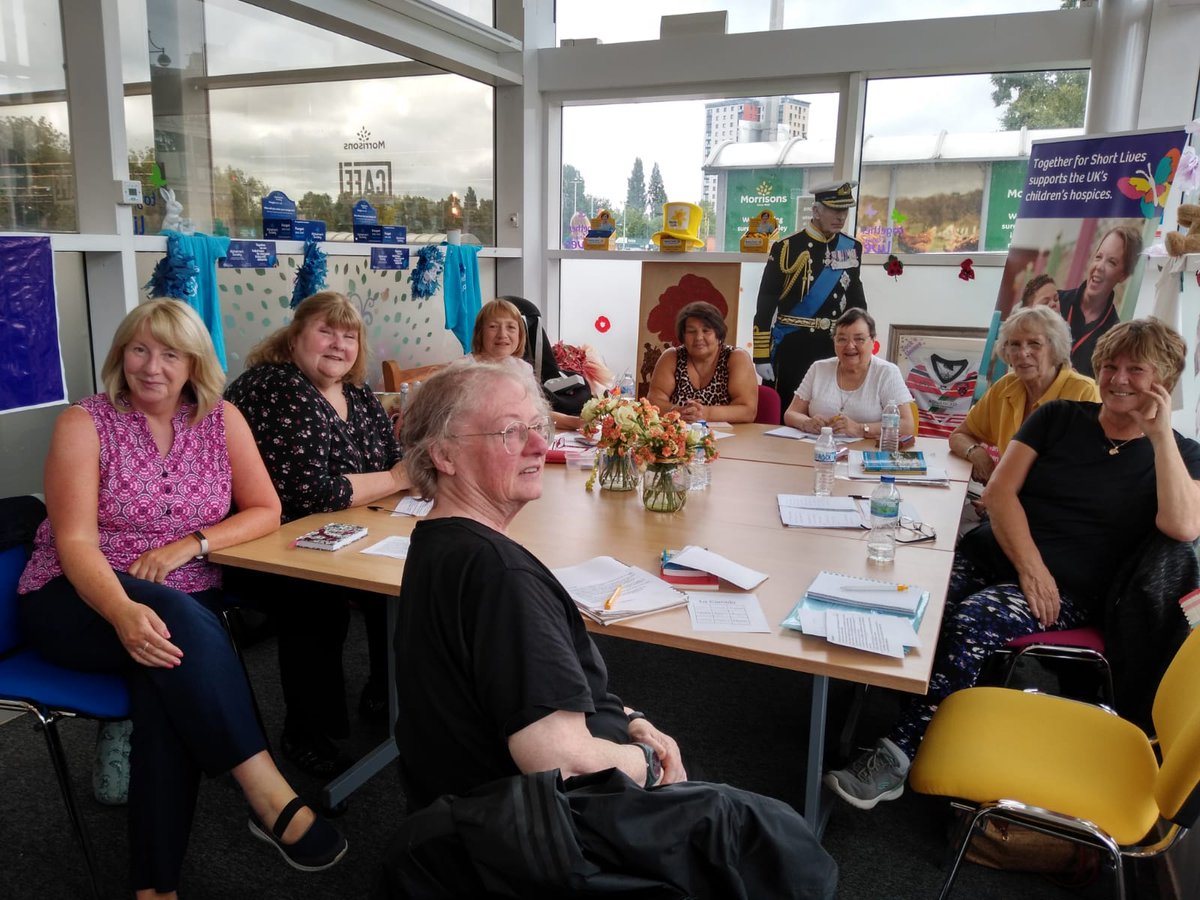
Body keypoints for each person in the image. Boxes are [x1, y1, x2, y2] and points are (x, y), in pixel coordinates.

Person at [390, 360, 837, 898]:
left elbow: (525, 686)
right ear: (443, 454)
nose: (538, 445)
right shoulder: (499, 576)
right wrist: (644, 761)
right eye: (512, 431)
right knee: (773, 837)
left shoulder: (437, 541)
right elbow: (563, 760)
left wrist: (632, 720)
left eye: (539, 425)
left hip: (473, 816)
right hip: (532, 832)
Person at [16, 300, 346, 898]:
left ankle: (155, 887)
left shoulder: (221, 420)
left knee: (162, 675)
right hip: (76, 598)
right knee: (175, 633)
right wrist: (121, 610)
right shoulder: (84, 423)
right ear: (121, 356)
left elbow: (265, 509)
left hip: (184, 608)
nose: (152, 367)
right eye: (140, 349)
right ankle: (265, 789)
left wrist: (187, 546)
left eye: (170, 353)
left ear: (194, 362)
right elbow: (74, 542)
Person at [825, 318, 1200, 811]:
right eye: (1110, 365)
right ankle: (912, 715)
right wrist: (1030, 568)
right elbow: (1000, 492)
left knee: (972, 621)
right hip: (1006, 560)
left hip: (1071, 591)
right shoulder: (1060, 416)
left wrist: (1159, 437)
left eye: (1136, 370)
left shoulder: (1182, 453)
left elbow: (1182, 527)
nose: (1118, 379)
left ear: (1165, 381)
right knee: (916, 595)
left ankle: (898, 753)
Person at [225, 290, 410, 777]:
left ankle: (385, 689)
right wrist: (393, 481)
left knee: (406, 573)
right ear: (294, 337)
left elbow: (391, 456)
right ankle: (307, 733)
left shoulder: (355, 391)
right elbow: (310, 492)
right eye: (325, 331)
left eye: (349, 336)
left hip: (345, 527)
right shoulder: (275, 387)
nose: (338, 344)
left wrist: (392, 475)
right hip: (261, 542)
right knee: (318, 600)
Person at [949, 306, 1098, 484]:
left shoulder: (1084, 392)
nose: (1022, 353)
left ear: (1054, 347)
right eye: (1015, 344)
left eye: (1034, 343)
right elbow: (959, 436)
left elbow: (1087, 471)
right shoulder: (1006, 385)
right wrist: (977, 453)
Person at [753, 180, 867, 408]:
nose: (841, 217)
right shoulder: (787, 248)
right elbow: (766, 302)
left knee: (830, 411)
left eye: (844, 210)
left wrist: (861, 344)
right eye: (835, 210)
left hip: (833, 347)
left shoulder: (851, 248)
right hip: (794, 346)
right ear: (816, 211)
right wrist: (761, 355)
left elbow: (856, 300)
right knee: (787, 414)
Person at [782, 308, 914, 440]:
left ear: (873, 341)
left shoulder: (886, 372)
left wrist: (860, 429)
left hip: (867, 454)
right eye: (842, 339)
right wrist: (806, 423)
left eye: (859, 339)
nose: (850, 346)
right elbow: (791, 413)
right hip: (820, 450)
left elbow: (907, 425)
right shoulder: (818, 368)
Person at [471, 297, 585, 430]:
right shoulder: (464, 370)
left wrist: (576, 422)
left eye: (511, 327)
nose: (502, 334)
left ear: (520, 335)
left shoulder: (523, 368)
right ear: (480, 333)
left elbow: (536, 414)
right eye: (493, 327)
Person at [646, 300, 758, 423]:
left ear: (718, 333)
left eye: (706, 331)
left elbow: (748, 411)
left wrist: (705, 413)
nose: (699, 337)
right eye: (691, 331)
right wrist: (678, 411)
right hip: (679, 437)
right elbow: (653, 402)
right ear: (683, 335)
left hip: (730, 438)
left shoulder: (736, 358)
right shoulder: (671, 357)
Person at [1056, 224, 1143, 378]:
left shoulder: (1115, 337)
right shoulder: (1055, 303)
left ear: (1123, 275)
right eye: (1098, 257)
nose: (1100, 267)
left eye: (1112, 262)